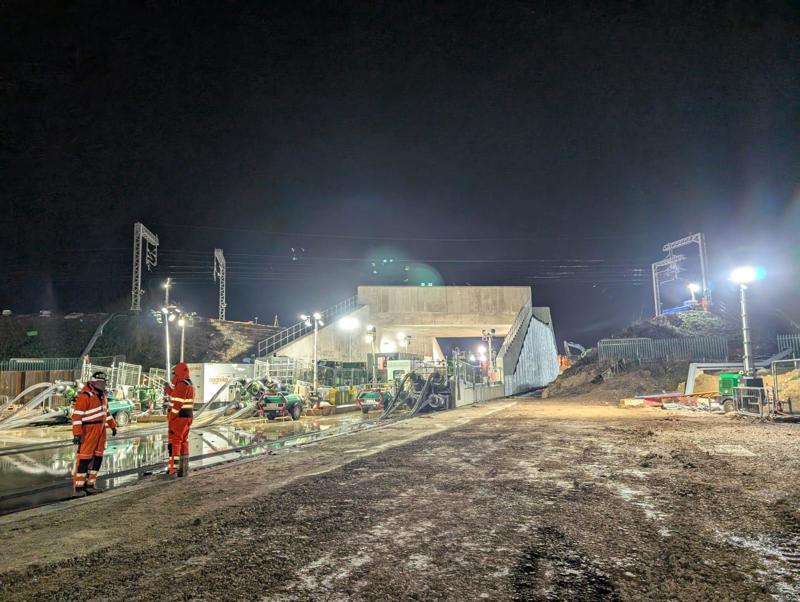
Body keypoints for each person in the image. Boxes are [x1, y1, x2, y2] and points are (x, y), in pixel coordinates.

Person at [71, 371, 117, 497]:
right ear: (94, 382)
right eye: (102, 382)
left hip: (100, 430)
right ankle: (79, 488)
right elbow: (77, 417)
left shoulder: (102, 396)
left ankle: (90, 485)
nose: (104, 385)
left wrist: (113, 426)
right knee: (85, 459)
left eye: (105, 382)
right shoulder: (85, 396)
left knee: (97, 458)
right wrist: (77, 434)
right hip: (88, 430)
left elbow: (106, 413)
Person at [165, 362, 195, 478]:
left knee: (175, 443)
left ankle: (173, 469)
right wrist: (168, 390)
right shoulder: (189, 384)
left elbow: (177, 404)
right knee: (183, 442)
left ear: (178, 373)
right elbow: (178, 396)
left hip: (179, 418)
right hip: (187, 417)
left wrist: (171, 418)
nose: (173, 377)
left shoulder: (182, 384)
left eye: (174, 374)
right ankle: (183, 469)